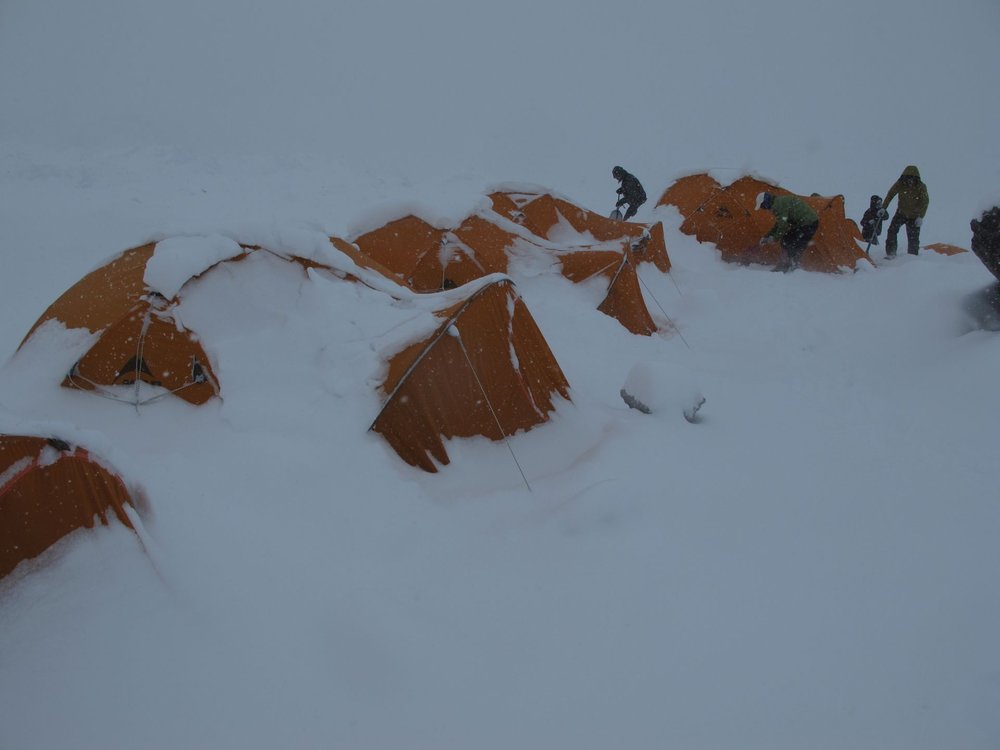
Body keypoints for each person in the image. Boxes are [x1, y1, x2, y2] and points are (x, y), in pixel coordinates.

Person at [755, 191, 819, 272]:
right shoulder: (778, 202)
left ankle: (789, 265)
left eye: (763, 206)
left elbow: (783, 225)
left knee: (791, 242)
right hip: (808, 223)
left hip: (808, 223)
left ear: (766, 202)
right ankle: (790, 264)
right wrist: (767, 236)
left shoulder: (778, 205)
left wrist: (774, 238)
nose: (765, 209)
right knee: (791, 241)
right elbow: (779, 224)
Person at [881, 165, 929, 257]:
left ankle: (912, 258)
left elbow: (925, 202)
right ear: (904, 178)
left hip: (914, 216)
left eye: (912, 179)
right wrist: (884, 207)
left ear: (916, 179)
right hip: (901, 213)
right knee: (892, 231)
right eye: (908, 178)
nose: (910, 181)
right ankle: (891, 254)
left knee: (913, 239)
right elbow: (890, 194)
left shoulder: (921, 187)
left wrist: (920, 216)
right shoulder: (900, 184)